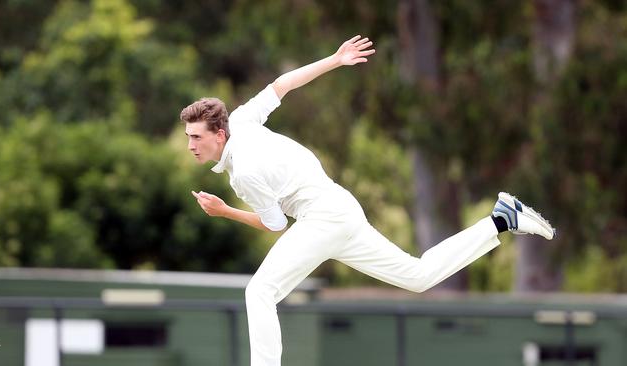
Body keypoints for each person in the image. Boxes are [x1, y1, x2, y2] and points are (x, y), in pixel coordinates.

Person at [180, 35, 555, 366]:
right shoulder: (243, 120)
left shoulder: (243, 173)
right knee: (418, 276)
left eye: (197, 137)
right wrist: (334, 59)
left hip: (323, 219)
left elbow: (277, 225)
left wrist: (224, 211)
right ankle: (501, 219)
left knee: (259, 291)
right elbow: (282, 85)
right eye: (189, 137)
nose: (191, 145)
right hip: (340, 210)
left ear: (219, 132)